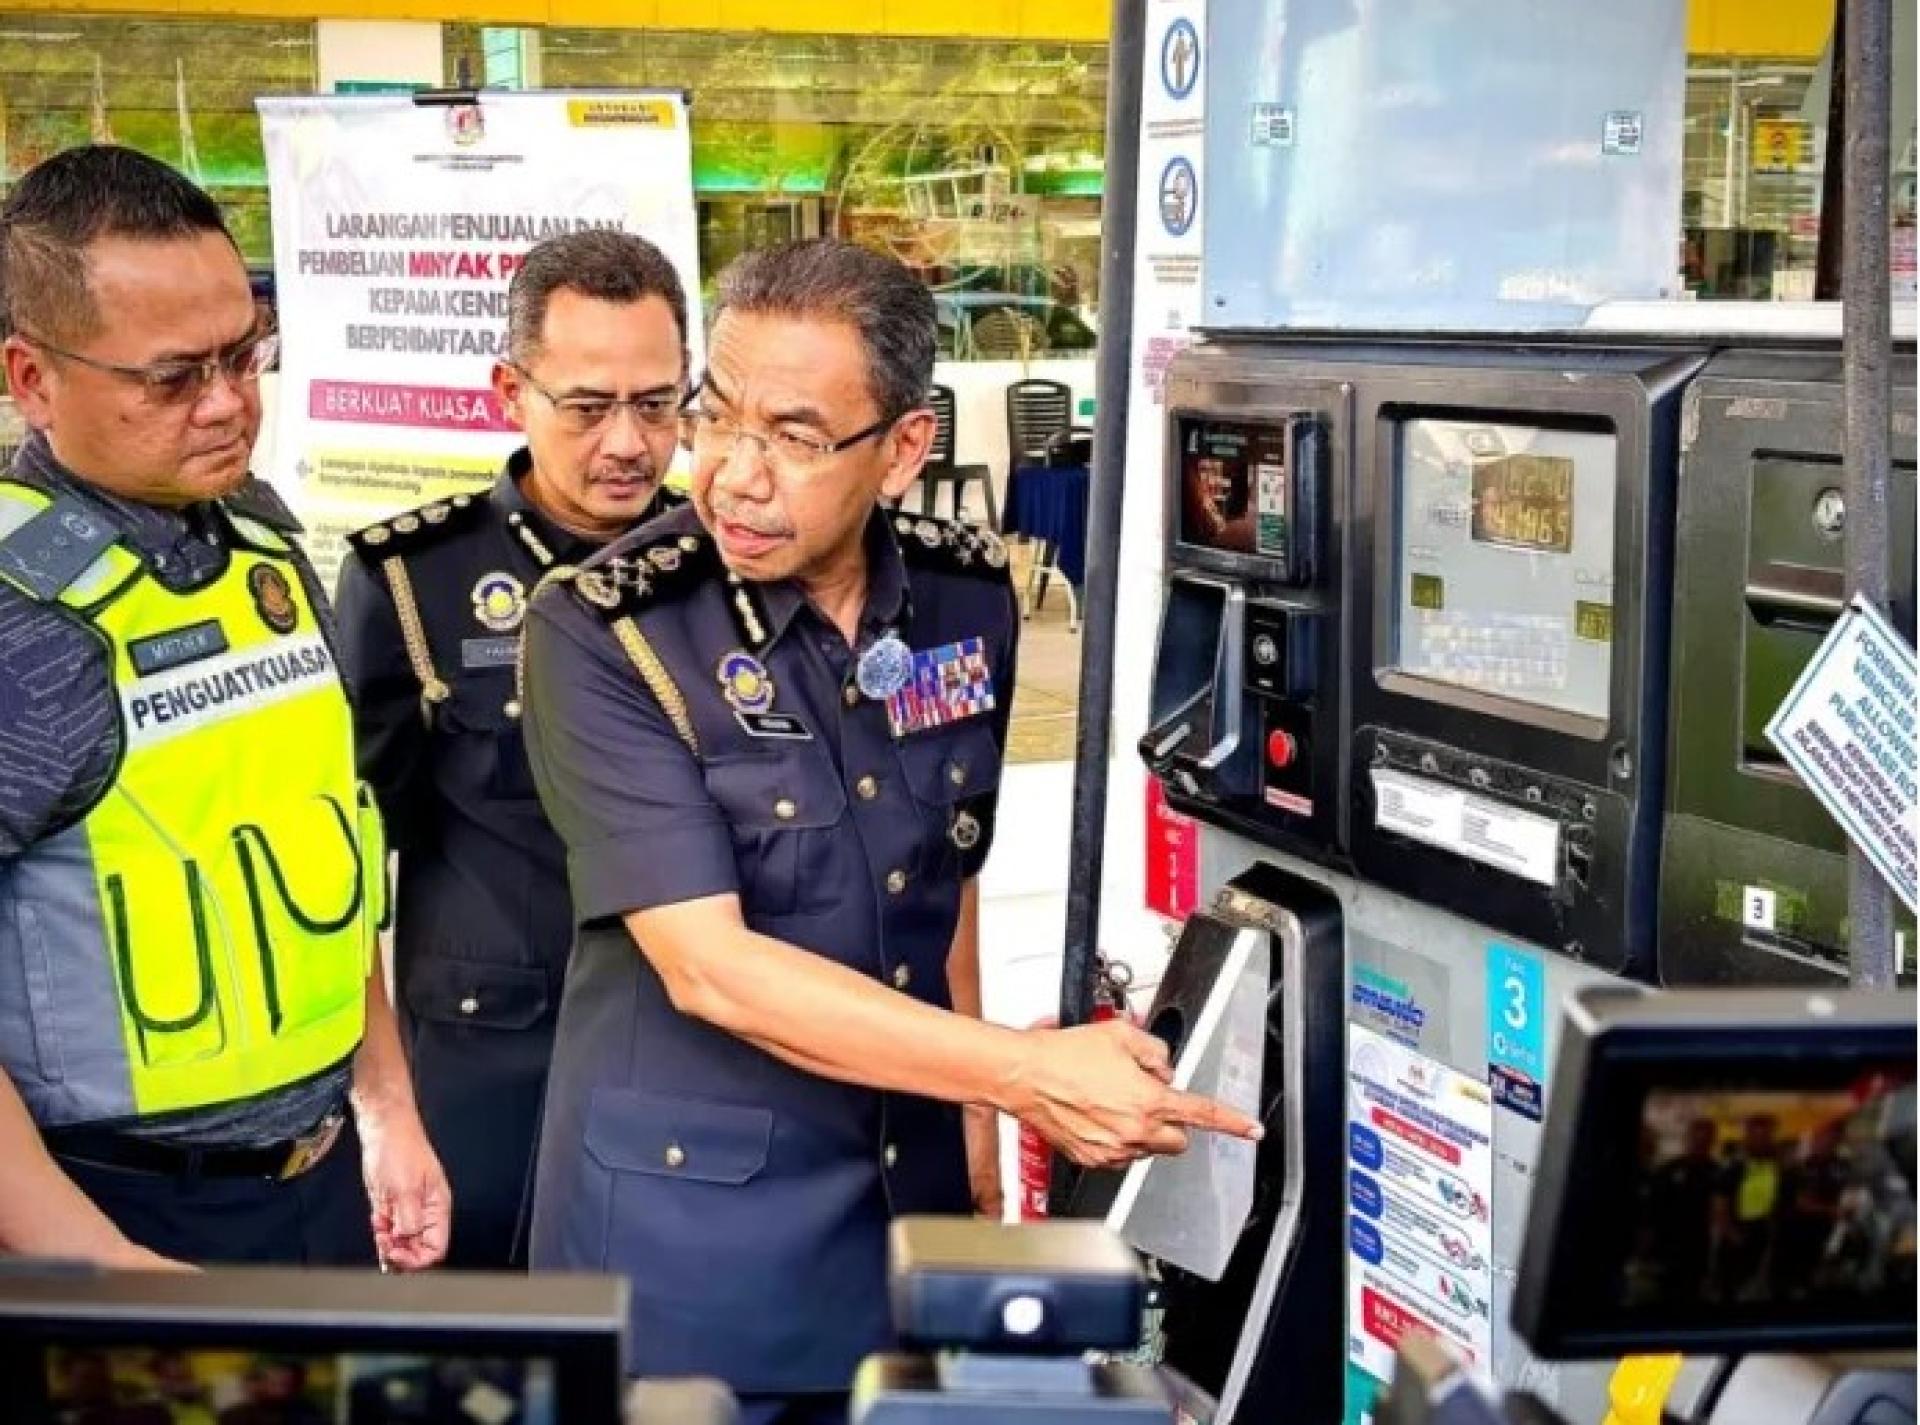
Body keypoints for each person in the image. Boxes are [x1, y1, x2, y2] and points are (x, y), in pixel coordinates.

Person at [521, 238, 1258, 1423]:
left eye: (798, 438)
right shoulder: (608, 633)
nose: (735, 475)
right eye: (719, 418)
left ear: (905, 448)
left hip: (902, 1217)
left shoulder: (969, 601)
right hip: (695, 1260)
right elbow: (711, 970)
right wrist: (1021, 1076)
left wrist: (969, 1135)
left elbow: (946, 878)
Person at [0, 145, 447, 1271]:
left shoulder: (262, 548)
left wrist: (384, 1106)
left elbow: (316, 868)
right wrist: (104, 1272)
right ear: (31, 376)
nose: (228, 404)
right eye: (172, 377)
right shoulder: (23, 622)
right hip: (112, 1219)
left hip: (317, 1181)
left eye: (245, 358)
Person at [334, 230, 689, 1269]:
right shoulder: (413, 581)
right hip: (488, 1081)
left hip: (685, 1062)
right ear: (509, 392)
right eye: (587, 406)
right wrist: (384, 1109)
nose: (627, 440)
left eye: (658, 403)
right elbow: (348, 881)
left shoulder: (718, 564)